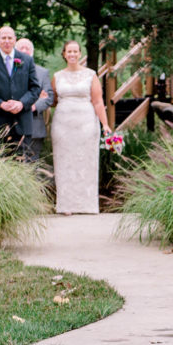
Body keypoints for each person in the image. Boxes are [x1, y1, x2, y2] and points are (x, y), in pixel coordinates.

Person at [49, 40, 113, 215]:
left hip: (86, 123)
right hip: (62, 124)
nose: (72, 54)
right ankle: (65, 205)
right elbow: (53, 100)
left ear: (79, 54)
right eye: (69, 51)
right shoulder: (57, 76)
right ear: (64, 54)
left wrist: (105, 124)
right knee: (64, 163)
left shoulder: (90, 75)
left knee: (86, 162)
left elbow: (98, 101)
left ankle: (87, 205)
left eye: (75, 51)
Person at [0, 25, 42, 159]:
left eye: (10, 38)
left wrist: (21, 104)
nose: (6, 41)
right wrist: (0, 104)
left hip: (22, 123)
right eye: (3, 38)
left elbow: (35, 89)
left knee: (22, 166)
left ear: (14, 40)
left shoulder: (27, 60)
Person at [14, 37, 52, 162]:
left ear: (32, 52)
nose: (25, 50)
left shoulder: (42, 73)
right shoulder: (7, 71)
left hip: (35, 126)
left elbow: (49, 97)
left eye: (28, 48)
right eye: (21, 48)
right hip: (12, 126)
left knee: (32, 166)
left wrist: (33, 106)